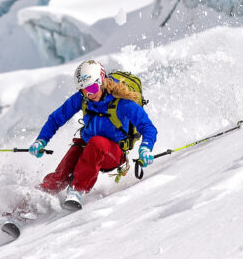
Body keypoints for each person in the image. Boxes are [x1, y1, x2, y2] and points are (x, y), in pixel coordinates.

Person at [28, 59, 157, 207]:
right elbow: (56, 118)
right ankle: (28, 205)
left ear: (102, 81)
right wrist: (41, 140)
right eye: (84, 90)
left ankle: (77, 190)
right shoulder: (83, 98)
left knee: (97, 143)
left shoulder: (122, 102)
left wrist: (146, 147)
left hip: (113, 153)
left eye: (93, 88)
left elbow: (147, 127)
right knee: (60, 176)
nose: (90, 94)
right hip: (88, 147)